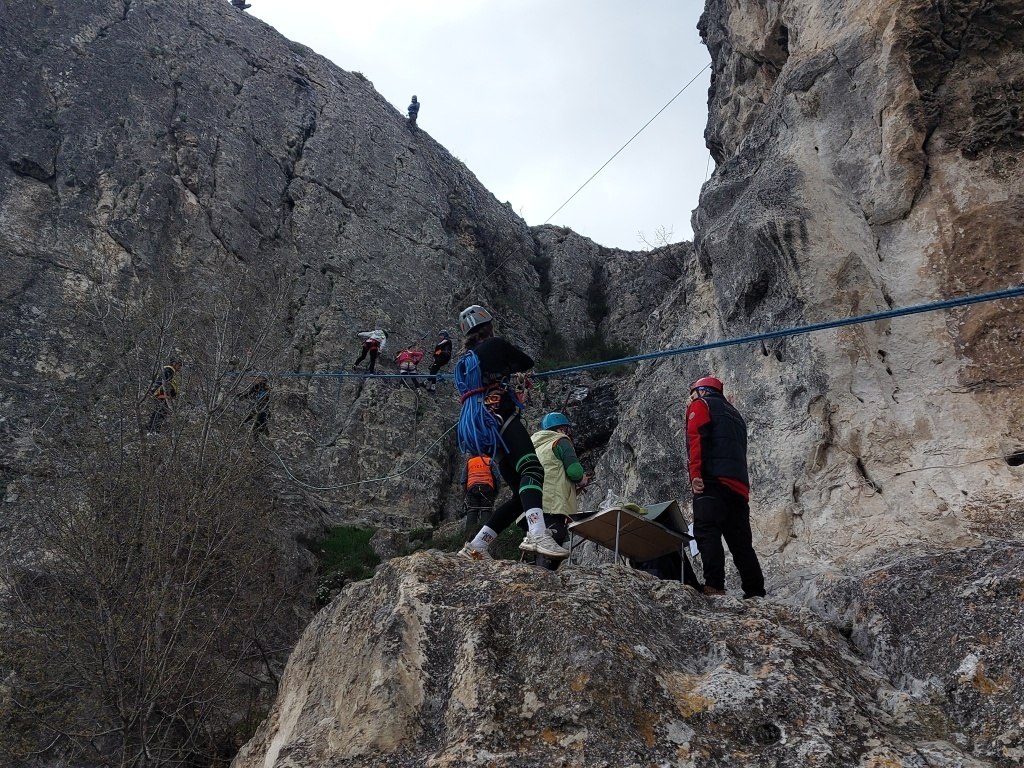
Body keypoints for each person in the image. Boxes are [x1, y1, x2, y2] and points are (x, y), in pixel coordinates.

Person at [455, 304, 568, 561]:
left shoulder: (468, 359)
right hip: (502, 417)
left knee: (521, 495)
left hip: (486, 429)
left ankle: (477, 545)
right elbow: (526, 362)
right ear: (488, 325)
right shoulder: (495, 345)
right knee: (533, 470)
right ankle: (537, 532)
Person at [685, 376, 766, 598]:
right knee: (741, 543)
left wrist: (695, 475)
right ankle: (755, 591)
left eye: (693, 392)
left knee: (706, 530)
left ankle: (714, 585)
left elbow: (696, 439)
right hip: (738, 486)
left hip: (712, 480)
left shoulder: (701, 405)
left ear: (701, 390)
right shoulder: (736, 415)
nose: (690, 397)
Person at [529, 412, 591, 569]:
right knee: (552, 545)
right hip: (552, 505)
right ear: (563, 429)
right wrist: (582, 480)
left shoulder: (535, 446)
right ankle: (544, 582)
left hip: (530, 505)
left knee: (537, 546)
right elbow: (574, 472)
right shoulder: (560, 441)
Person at [462, 454, 501, 535]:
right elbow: (497, 478)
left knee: (472, 510)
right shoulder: (489, 460)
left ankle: (468, 537)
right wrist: (496, 492)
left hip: (472, 489)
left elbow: (463, 480)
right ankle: (484, 537)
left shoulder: (469, 462)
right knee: (486, 510)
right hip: (487, 489)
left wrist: (466, 493)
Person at [145, 359, 182, 435]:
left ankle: (152, 429)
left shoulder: (170, 371)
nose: (180, 367)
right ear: (174, 363)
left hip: (163, 395)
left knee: (159, 412)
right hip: (161, 395)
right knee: (160, 412)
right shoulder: (168, 370)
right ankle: (154, 431)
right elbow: (163, 383)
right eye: (179, 364)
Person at [238, 374, 271, 439]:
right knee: (252, 418)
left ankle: (261, 432)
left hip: (262, 407)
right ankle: (241, 425)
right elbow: (249, 394)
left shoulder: (267, 389)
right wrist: (242, 397)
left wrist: (243, 397)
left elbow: (267, 399)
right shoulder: (256, 387)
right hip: (257, 406)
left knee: (259, 422)